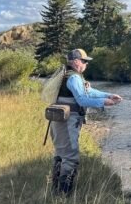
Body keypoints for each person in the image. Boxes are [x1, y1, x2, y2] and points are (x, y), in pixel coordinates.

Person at [50, 48, 123, 195]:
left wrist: (108, 95)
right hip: (67, 123)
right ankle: (63, 195)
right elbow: (82, 99)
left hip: (59, 121)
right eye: (84, 61)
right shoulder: (74, 78)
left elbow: (88, 91)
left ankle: (55, 192)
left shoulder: (68, 74)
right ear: (76, 62)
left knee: (61, 154)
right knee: (70, 158)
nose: (86, 64)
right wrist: (104, 102)